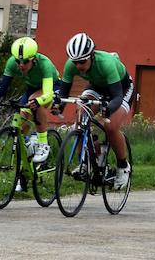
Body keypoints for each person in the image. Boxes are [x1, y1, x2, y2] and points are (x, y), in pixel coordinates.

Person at [54, 32, 133, 189]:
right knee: (80, 117)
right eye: (75, 62)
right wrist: (58, 105)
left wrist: (108, 109)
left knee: (111, 127)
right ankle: (90, 159)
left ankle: (123, 166)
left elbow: (116, 96)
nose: (78, 66)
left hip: (121, 89)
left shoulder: (106, 63)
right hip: (97, 87)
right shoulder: (71, 65)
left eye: (82, 61)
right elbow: (63, 93)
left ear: (91, 55)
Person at [0, 36, 60, 163]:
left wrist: (38, 102)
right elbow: (2, 88)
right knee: (22, 123)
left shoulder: (44, 64)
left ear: (33, 59)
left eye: (25, 62)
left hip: (52, 87)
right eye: (18, 61)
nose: (21, 65)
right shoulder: (12, 63)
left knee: (35, 101)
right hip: (31, 88)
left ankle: (43, 144)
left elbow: (48, 94)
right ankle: (27, 160)